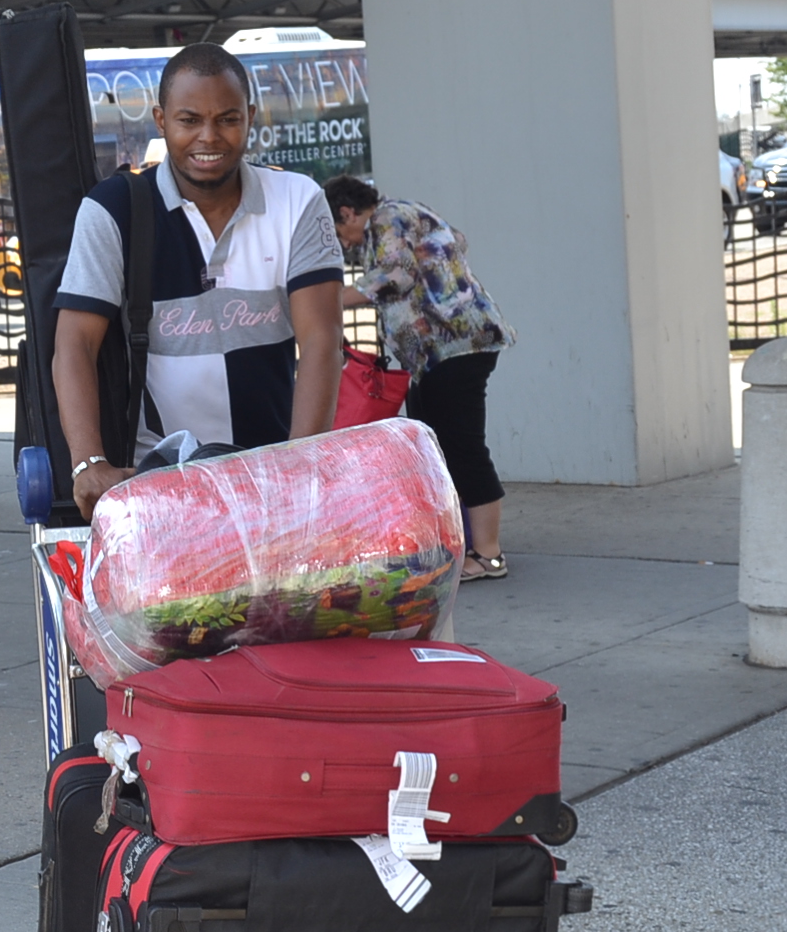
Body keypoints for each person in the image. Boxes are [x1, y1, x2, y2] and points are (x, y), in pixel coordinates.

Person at [51, 43, 345, 519]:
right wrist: (89, 462)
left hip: (272, 478)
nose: (209, 137)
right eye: (189, 120)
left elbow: (322, 339)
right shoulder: (113, 209)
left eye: (227, 119)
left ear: (251, 116)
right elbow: (74, 344)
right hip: (161, 486)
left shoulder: (297, 199)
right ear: (160, 119)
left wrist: (299, 463)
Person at [324, 175, 517, 579]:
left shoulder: (387, 218)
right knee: (438, 449)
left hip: (456, 346)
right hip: (441, 352)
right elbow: (456, 241)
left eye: (339, 231)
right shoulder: (407, 212)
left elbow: (397, 274)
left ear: (347, 212)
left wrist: (331, 300)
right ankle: (461, 542)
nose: (345, 244)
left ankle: (489, 554)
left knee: (462, 446)